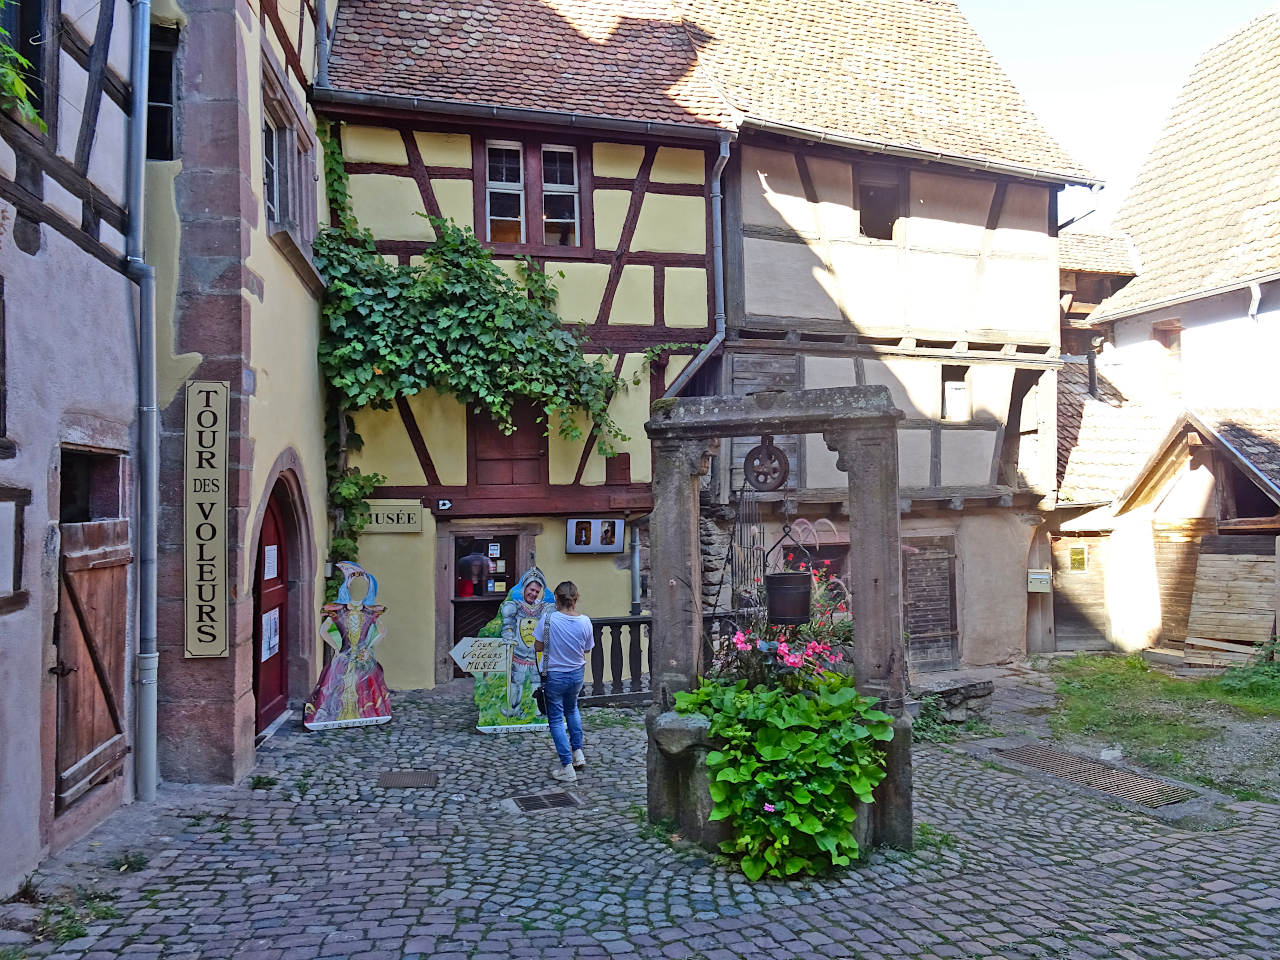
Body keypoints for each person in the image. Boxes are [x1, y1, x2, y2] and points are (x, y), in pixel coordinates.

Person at [534, 580, 594, 783]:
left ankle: (567, 766)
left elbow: (538, 646)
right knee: (573, 710)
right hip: (576, 673)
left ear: (556, 600)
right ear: (575, 599)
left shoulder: (548, 620)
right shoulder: (585, 621)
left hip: (555, 675)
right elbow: (587, 649)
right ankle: (578, 753)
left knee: (557, 720)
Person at [499, 566, 552, 717]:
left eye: (536, 591)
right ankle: (513, 709)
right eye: (531, 589)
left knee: (537, 681)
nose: (533, 593)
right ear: (525, 587)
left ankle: (538, 709)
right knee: (516, 680)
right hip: (519, 652)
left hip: (536, 653)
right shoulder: (514, 606)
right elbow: (508, 625)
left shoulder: (543, 608)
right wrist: (508, 636)